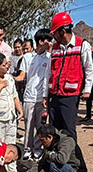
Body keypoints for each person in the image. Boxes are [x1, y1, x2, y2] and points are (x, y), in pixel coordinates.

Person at [43, 12, 93, 141]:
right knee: (54, 128)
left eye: (55, 32)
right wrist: (45, 94)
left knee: (68, 129)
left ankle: (72, 159)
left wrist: (87, 90)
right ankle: (55, 157)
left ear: (62, 31)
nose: (53, 36)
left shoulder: (82, 45)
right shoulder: (54, 48)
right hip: (54, 94)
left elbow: (89, 69)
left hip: (70, 95)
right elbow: (48, 73)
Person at [19, 124, 87, 172]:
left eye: (42, 140)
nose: (41, 143)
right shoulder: (49, 143)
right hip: (66, 168)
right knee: (46, 162)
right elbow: (41, 163)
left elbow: (62, 159)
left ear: (50, 137)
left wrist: (49, 154)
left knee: (54, 163)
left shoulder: (66, 141)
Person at [23, 29, 53, 160]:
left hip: (42, 97)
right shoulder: (27, 57)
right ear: (41, 41)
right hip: (29, 97)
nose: (51, 42)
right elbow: (22, 75)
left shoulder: (49, 57)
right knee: (28, 125)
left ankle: (37, 148)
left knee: (40, 126)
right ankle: (27, 149)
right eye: (48, 40)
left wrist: (51, 52)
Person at [13, 38, 36, 106]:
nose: (25, 51)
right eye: (24, 49)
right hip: (22, 90)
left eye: (27, 49)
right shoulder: (21, 60)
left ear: (32, 48)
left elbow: (22, 76)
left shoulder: (36, 59)